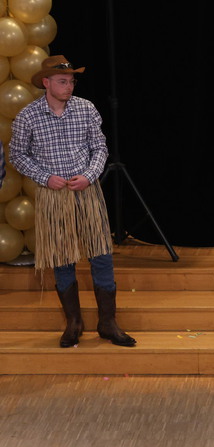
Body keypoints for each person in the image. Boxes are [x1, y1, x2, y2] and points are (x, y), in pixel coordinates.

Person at [9, 55, 135, 348]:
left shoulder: (85, 108)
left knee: (101, 254)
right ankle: (74, 323)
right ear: (46, 82)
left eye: (71, 81)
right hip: (54, 195)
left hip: (86, 191)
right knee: (62, 257)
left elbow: (99, 147)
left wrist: (89, 175)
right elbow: (17, 155)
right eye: (63, 81)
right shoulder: (28, 116)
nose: (69, 86)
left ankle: (108, 323)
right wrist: (45, 177)